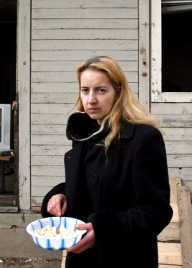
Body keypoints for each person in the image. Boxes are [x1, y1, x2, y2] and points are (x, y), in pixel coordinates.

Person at [41, 56, 173, 268]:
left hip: (124, 258)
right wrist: (61, 194)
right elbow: (93, 184)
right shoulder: (84, 134)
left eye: (101, 90)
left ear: (118, 93)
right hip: (83, 257)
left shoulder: (143, 138)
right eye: (85, 90)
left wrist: (104, 229)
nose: (91, 99)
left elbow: (155, 211)